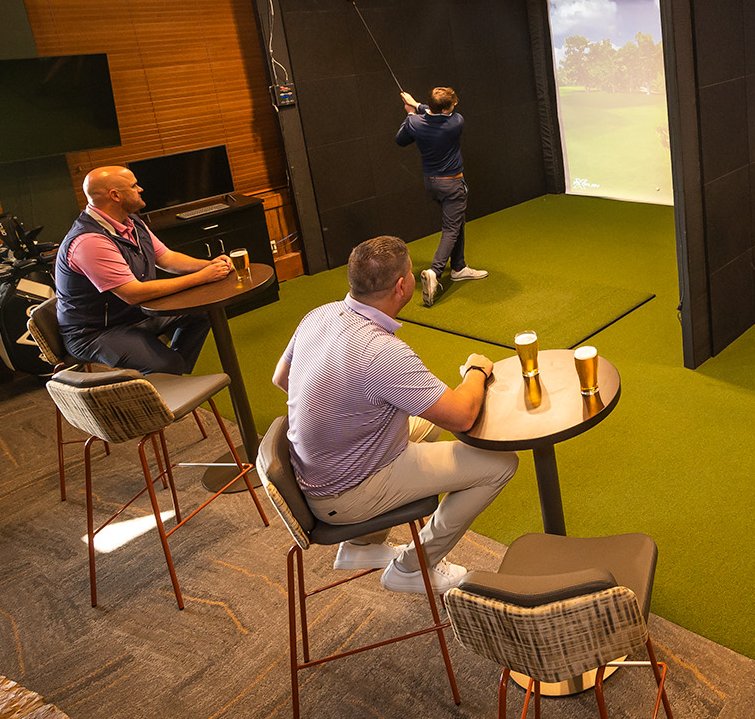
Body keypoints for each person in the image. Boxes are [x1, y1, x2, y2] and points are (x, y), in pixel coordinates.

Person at [272, 235, 519, 588]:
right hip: (347, 494)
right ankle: (412, 568)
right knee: (500, 465)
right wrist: (477, 371)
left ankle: (361, 547)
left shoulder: (319, 314)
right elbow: (462, 415)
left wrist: (351, 415)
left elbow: (282, 378)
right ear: (402, 286)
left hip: (317, 471)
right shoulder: (382, 353)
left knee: (425, 426)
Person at [52, 165, 234, 375]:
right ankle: (170, 376)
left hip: (137, 314)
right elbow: (133, 294)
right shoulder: (90, 242)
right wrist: (202, 277)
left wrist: (209, 265)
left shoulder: (131, 222)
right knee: (166, 365)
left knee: (202, 313)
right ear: (115, 195)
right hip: (95, 333)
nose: (140, 189)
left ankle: (174, 378)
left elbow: (166, 258)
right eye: (134, 186)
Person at [396, 86, 487, 306]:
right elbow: (431, 112)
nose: (456, 106)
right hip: (452, 184)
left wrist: (411, 111)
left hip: (432, 183)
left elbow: (401, 139)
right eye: (453, 104)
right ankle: (435, 272)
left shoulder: (415, 123)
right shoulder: (455, 122)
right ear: (446, 110)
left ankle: (458, 267)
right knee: (451, 227)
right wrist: (416, 107)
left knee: (456, 221)